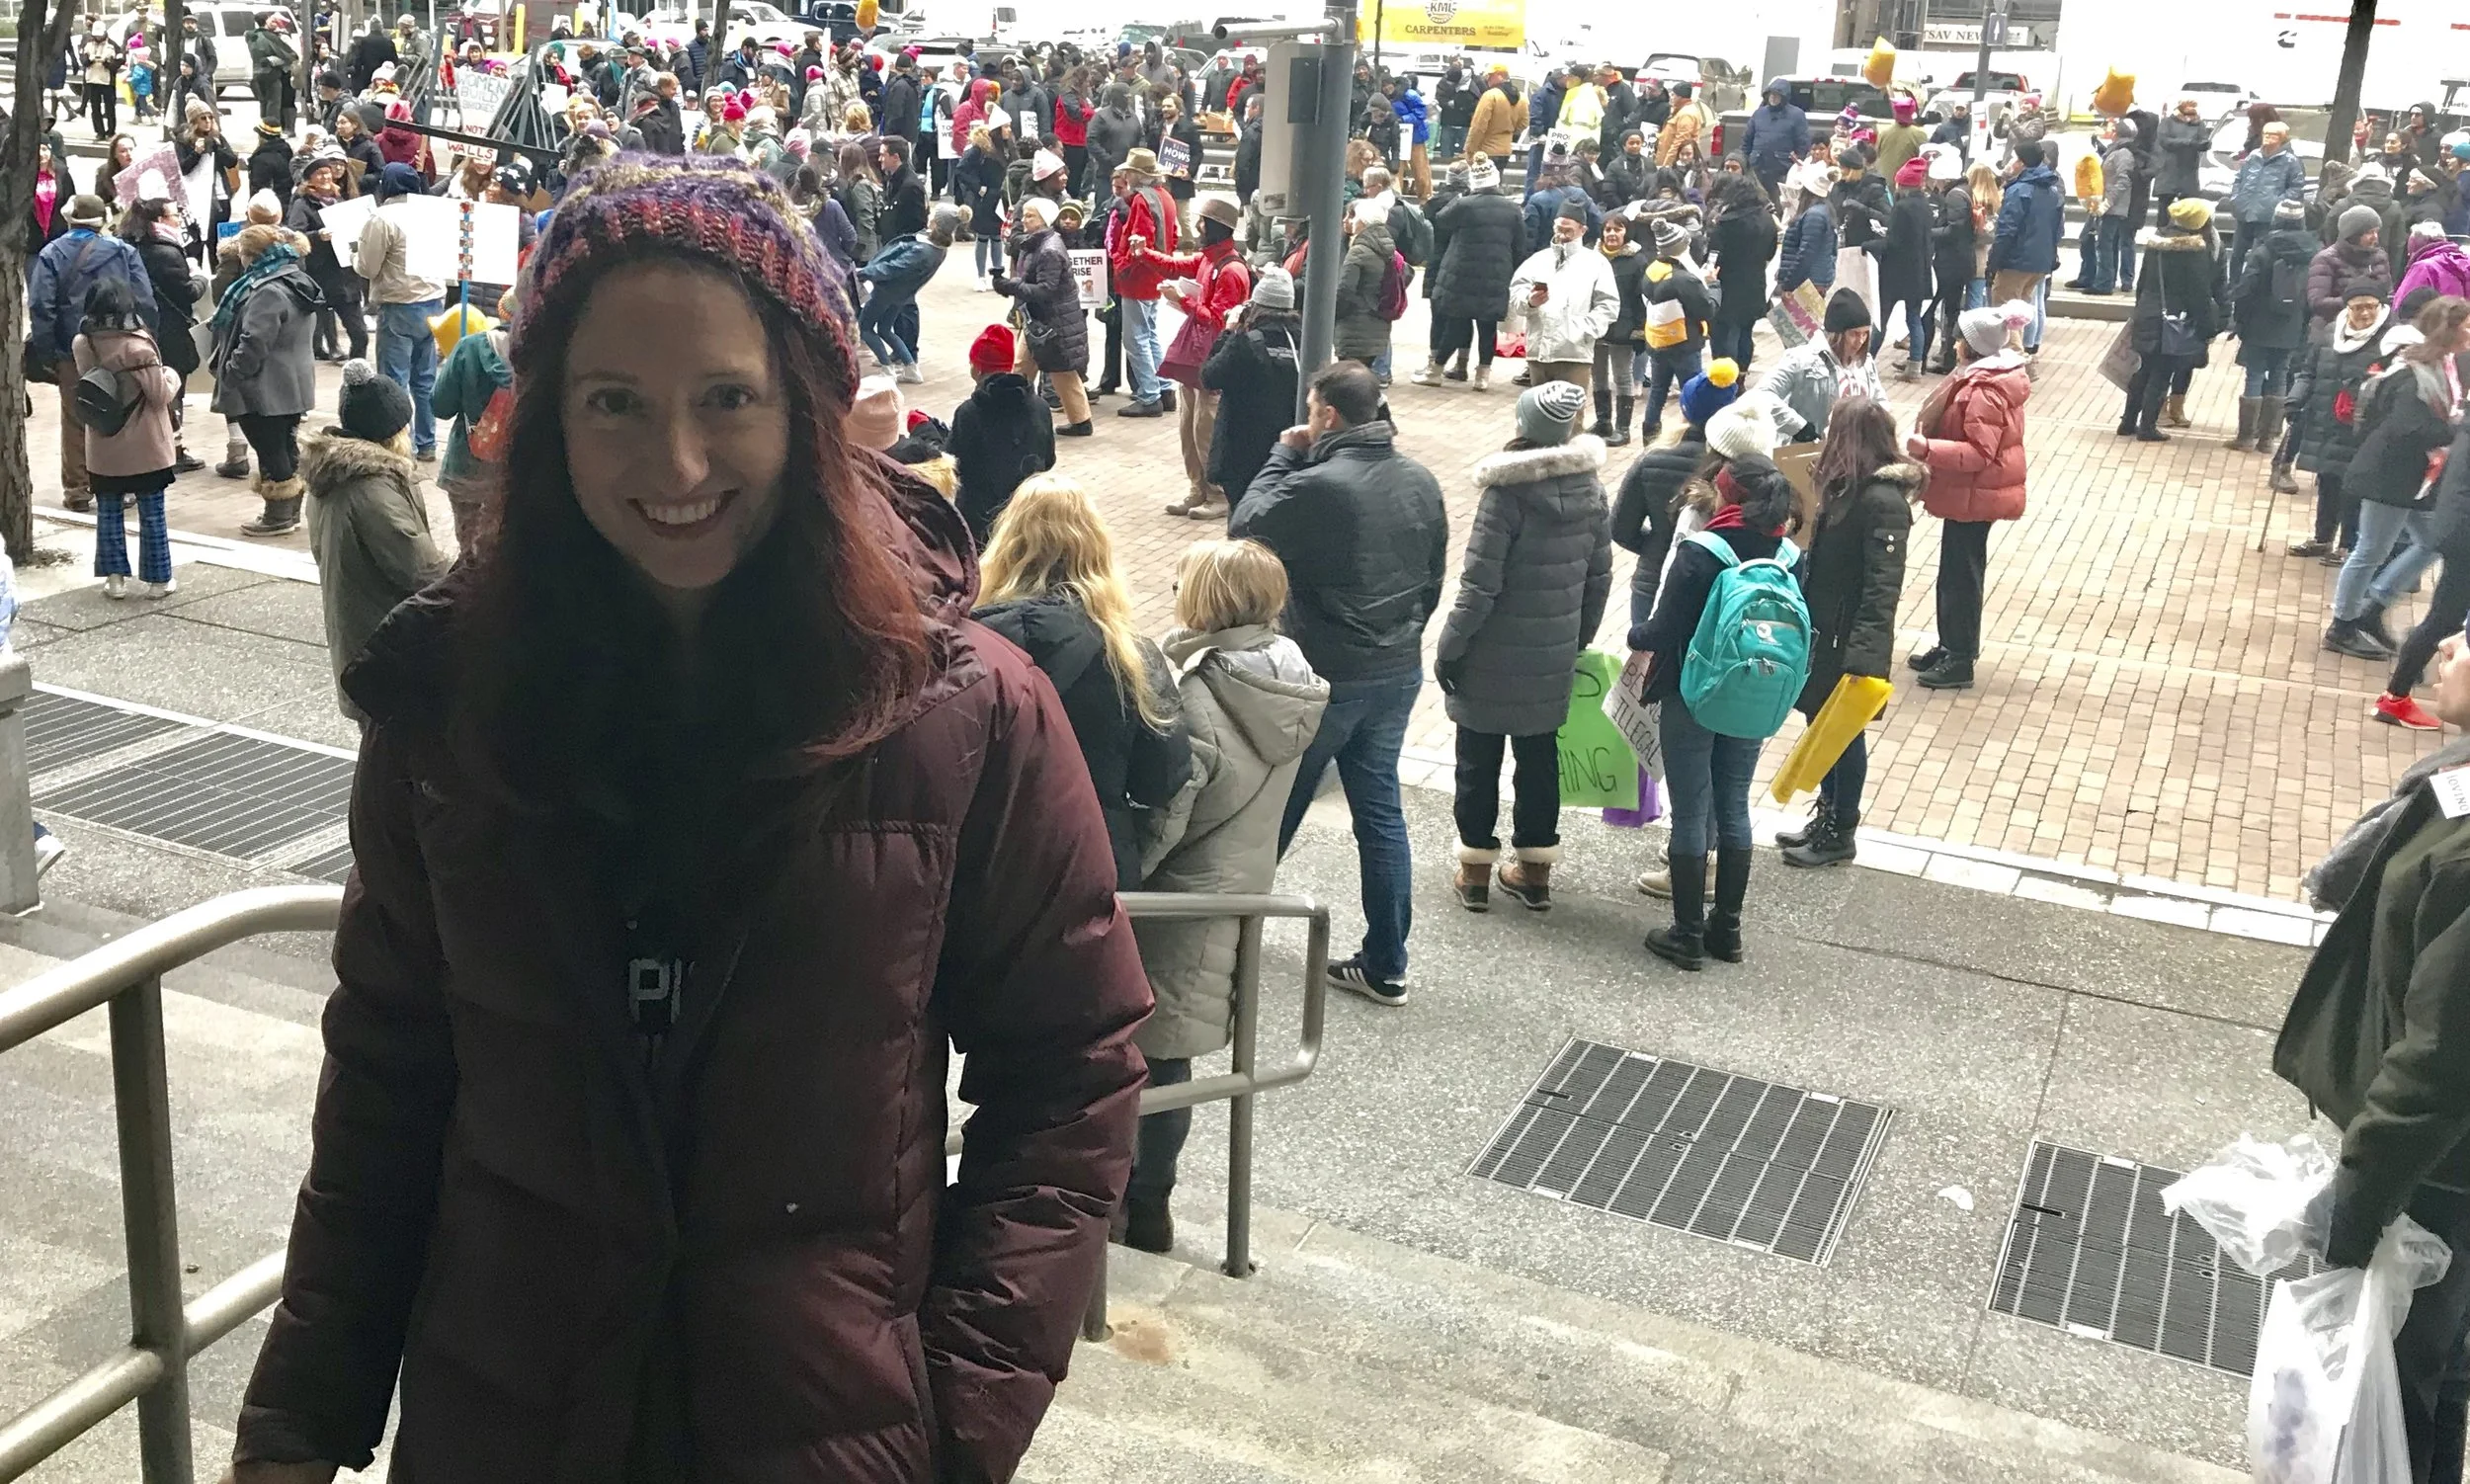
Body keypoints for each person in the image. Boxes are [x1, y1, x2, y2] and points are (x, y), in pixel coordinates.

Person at [218, 157, 1149, 1481]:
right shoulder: (454, 706)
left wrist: (956, 1418)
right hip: (505, 1423)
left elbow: (1074, 1070)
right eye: (614, 404)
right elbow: (389, 1073)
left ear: (807, 409)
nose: (678, 463)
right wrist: (298, 1422)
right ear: (548, 422)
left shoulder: (966, 713)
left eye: (728, 398)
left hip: (830, 1432)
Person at [2273, 627, 2470, 1484]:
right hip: (2431, 1168)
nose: (2450, 644)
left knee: (2403, 1385)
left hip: (2433, 1175)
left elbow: (2442, 1062)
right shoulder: (2451, 783)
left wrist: (2355, 1210)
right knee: (2430, 1374)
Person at [1123, 538, 1328, 1254]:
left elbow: (1168, 819)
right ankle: (1151, 1203)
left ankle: (1138, 1207)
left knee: (1145, 1060)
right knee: (1173, 1056)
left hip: (1175, 904)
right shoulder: (1290, 680)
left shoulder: (1201, 697)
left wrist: (1118, 879)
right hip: (1237, 891)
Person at [1231, 363, 1448, 1008]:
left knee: (1271, 807)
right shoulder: (1420, 479)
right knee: (1380, 816)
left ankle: (1226, 943)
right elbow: (1435, 576)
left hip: (1329, 673)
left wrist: (1281, 453)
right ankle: (1388, 963)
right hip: (1396, 668)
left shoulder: (1321, 485)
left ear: (1326, 415)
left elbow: (1245, 530)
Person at [1438, 381, 1611, 914]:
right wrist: (1576, 638)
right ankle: (1535, 875)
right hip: (1552, 652)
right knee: (1539, 761)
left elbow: (1479, 586)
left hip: (1490, 653)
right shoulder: (1592, 489)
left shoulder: (1504, 494)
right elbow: (1599, 579)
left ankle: (1474, 875)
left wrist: (1450, 646)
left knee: (1477, 761)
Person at [974, 474, 1191, 893]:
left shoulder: (968, 644)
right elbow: (1162, 777)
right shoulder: (1131, 655)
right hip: (1092, 856)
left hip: (985, 858)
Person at [1630, 455, 1803, 971]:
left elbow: (1661, 631)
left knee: (1691, 811)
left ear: (1726, 495)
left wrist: (1634, 636)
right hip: (1755, 694)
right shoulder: (1790, 556)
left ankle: (1686, 933)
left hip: (1694, 693)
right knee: (1733, 808)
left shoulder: (1702, 551)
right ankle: (1726, 931)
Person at [1775, 398, 1917, 867]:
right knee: (1823, 726)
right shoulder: (1846, 489)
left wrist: (1866, 655)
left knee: (1844, 735)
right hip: (1825, 632)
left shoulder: (1881, 501)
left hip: (1849, 641)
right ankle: (1828, 815)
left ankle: (1841, 830)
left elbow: (1883, 586)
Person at [2325, 297, 2470, 662]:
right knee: (2371, 548)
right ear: (2447, 329)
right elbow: (2408, 426)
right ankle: (2342, 624)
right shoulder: (2414, 370)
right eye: (2467, 325)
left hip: (2419, 478)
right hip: (2389, 475)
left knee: (2432, 542)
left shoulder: (2446, 365)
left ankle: (2374, 606)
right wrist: (2458, 430)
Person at [301, 359, 448, 720]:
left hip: (361, 645)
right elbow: (421, 569)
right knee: (400, 763)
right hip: (386, 650)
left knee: (383, 762)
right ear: (391, 433)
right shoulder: (370, 488)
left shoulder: (333, 475)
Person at [1907, 303, 2035, 692]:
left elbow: (1980, 453)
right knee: (1954, 573)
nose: (1954, 341)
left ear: (1972, 347)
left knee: (1961, 576)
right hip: (1972, 494)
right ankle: (1951, 646)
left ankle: (1960, 657)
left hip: (1976, 495)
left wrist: (1928, 448)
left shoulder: (1984, 391)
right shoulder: (1981, 377)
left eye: (1960, 337)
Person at [28, 194, 155, 515]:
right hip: (124, 345)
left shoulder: (52, 253)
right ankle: (120, 484)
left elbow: (41, 306)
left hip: (72, 348)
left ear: (70, 219)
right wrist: (145, 338)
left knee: (75, 419)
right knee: (124, 415)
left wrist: (48, 353)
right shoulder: (123, 252)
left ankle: (77, 490)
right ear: (101, 221)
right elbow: (145, 299)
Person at [1137, 195, 1250, 518]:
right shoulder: (1208, 259)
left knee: (1207, 430)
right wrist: (1145, 254)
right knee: (1188, 427)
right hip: (1195, 360)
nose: (1197, 227)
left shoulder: (1231, 270)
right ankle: (1197, 489)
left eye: (1202, 222)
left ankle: (1218, 494)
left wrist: (1181, 301)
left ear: (1216, 227)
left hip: (1213, 361)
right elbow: (1174, 265)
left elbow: (1218, 319)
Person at [213, 219, 324, 538]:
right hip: (292, 382)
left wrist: (231, 372)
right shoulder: (295, 279)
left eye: (244, 255)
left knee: (270, 448)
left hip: (265, 385)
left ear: (252, 256)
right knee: (285, 445)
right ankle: (288, 512)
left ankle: (278, 515)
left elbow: (254, 342)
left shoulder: (267, 291)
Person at [74, 278, 182, 601]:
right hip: (145, 444)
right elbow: (158, 395)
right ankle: (158, 580)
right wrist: (171, 377)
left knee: (108, 512)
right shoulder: (139, 346)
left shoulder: (84, 343)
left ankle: (115, 580)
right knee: (152, 513)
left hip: (104, 443)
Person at [1613, 362, 1740, 628]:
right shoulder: (1738, 466)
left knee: (1644, 665)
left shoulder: (1652, 459)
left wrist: (1655, 543)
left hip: (1654, 577)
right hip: (1713, 585)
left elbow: (1621, 528)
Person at [2287, 291, 2392, 565]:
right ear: (2347, 308)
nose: (2365, 314)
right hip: (2326, 420)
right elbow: (2308, 372)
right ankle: (2322, 538)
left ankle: (2348, 544)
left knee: (2353, 487)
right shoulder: (2330, 334)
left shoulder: (2389, 340)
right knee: (2328, 481)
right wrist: (2296, 398)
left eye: (2371, 307)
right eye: (2358, 308)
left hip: (2361, 427)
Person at [355, 163, 445, 465]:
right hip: (433, 301)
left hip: (398, 303)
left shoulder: (382, 218)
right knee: (425, 378)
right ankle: (427, 441)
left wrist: (354, 253)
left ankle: (397, 444)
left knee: (394, 381)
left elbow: (367, 267)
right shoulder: (432, 213)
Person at [2117, 197, 2226, 443]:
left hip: (2147, 312)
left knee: (2144, 369)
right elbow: (2199, 294)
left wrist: (2139, 311)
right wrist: (2209, 326)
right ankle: (2147, 427)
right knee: (2161, 373)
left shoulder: (2156, 243)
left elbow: (2142, 282)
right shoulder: (2195, 251)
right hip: (2173, 319)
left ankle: (2127, 421)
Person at [992, 195, 1093, 438]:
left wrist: (1011, 286)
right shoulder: (1039, 243)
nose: (1024, 220)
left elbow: (1046, 290)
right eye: (1024, 214)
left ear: (1044, 219)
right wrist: (1011, 284)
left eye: (1030, 216)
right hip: (1041, 321)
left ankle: (1080, 422)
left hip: (1052, 322)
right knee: (1024, 368)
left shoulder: (1048, 250)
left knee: (1059, 372)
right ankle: (1017, 415)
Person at [121, 197, 206, 473]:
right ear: (159, 220)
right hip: (169, 330)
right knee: (172, 389)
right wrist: (199, 277)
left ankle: (161, 447)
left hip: (139, 329)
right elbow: (186, 292)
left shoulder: (128, 245)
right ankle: (174, 449)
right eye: (174, 215)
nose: (179, 219)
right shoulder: (166, 252)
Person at [948, 323, 1054, 546]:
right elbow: (1048, 459)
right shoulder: (1040, 407)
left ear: (977, 369)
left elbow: (953, 464)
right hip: (1028, 515)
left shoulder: (969, 412)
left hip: (980, 521)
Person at [1422, 157, 1522, 390]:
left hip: (1463, 273)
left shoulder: (1465, 204)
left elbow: (1441, 219)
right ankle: (1482, 376)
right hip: (1497, 274)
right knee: (1487, 327)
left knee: (1456, 322)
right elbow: (1519, 245)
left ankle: (1435, 370)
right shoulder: (1513, 208)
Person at [429, 290, 515, 552]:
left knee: (470, 556)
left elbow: (440, 406)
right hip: (519, 477)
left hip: (467, 471)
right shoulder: (548, 355)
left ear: (503, 312)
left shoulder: (470, 347)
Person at [2229, 199, 2316, 455]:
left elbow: (2246, 288)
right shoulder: (2312, 252)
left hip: (2259, 322)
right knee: (2280, 374)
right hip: (2292, 323)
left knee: (2254, 375)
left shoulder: (2263, 250)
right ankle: (2267, 439)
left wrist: (2240, 320)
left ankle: (2245, 436)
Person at [1509, 201, 1618, 395]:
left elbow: (1608, 304)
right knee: (1539, 414)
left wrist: (1585, 329)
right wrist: (1530, 301)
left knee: (1572, 416)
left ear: (1582, 230)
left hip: (1575, 354)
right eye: (1559, 229)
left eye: (1568, 231)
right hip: (1539, 352)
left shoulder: (1596, 263)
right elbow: (1516, 292)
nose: (1562, 235)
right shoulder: (1538, 260)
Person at [1754, 289, 1885, 445]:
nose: (1860, 341)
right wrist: (1799, 427)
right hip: (1812, 454)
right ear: (1837, 334)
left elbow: (1880, 401)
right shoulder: (1801, 359)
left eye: (1865, 334)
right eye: (1854, 334)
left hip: (1855, 452)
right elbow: (1761, 395)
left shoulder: (1866, 363)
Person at [1108, 147, 1180, 418]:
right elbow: (1170, 237)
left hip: (1138, 277)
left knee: (1135, 338)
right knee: (1149, 334)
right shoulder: (1166, 198)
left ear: (1138, 174)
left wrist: (1120, 265)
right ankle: (1163, 387)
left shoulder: (1142, 201)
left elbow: (1140, 241)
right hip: (1155, 272)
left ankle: (1150, 395)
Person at [855, 206, 957, 385]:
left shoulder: (923, 251)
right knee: (885, 329)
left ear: (936, 224)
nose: (929, 216)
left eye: (933, 215)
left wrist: (865, 272)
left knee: (866, 328)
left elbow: (894, 267)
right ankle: (911, 368)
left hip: (885, 292)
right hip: (902, 295)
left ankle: (888, 369)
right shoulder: (939, 249)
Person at [1986, 139, 2063, 360]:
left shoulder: (2019, 190)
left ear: (2022, 162)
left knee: (2005, 310)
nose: (2011, 162)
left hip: (2016, 260)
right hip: (2040, 261)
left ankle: (2016, 358)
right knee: (2020, 308)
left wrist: (1995, 261)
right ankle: (2020, 354)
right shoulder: (2051, 190)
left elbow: (2007, 229)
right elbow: (2057, 228)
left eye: (2014, 158)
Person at [1706, 173, 1778, 375]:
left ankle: (1725, 375)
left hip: (1728, 285)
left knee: (1725, 334)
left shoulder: (1726, 223)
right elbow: (1771, 251)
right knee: (1746, 332)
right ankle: (1742, 375)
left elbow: (1714, 256)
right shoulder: (1767, 219)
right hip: (1755, 284)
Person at [2226, 120, 2307, 288]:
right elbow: (2239, 179)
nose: (2268, 138)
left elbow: (2296, 187)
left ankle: (2251, 286)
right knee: (2236, 254)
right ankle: (2232, 286)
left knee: (2258, 255)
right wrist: (2236, 197)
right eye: (2266, 134)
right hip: (2245, 212)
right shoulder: (2253, 156)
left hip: (2267, 217)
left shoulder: (2291, 161)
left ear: (2282, 139)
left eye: (2273, 135)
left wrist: (2278, 204)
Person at [1878, 155, 1936, 376]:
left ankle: (1868, 361)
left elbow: (1893, 241)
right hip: (1919, 270)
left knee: (1881, 318)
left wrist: (1873, 243)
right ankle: (1915, 366)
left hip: (1897, 271)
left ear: (1902, 184)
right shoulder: (1924, 205)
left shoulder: (1901, 207)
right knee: (1914, 318)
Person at [1332, 195, 1400, 371]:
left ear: (1362, 221)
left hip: (1354, 328)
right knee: (1363, 378)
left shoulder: (1358, 251)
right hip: (1377, 327)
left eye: (1354, 217)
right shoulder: (1388, 248)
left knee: (1348, 380)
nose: (1349, 221)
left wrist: (1334, 315)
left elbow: (1344, 290)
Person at [2310, 203, 2396, 327]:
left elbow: (2389, 294)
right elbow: (2317, 302)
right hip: (2334, 326)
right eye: (2369, 233)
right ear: (2353, 235)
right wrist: (2358, 302)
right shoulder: (2325, 260)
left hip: (2375, 325)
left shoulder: (2380, 257)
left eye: (2376, 232)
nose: (2375, 238)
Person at [2085, 120, 2137, 295]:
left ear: (2116, 133)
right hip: (2109, 206)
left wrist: (2108, 202)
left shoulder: (2124, 153)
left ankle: (2104, 283)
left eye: (2111, 129)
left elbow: (2124, 180)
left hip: (2113, 208)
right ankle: (2105, 280)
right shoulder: (2115, 151)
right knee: (2104, 244)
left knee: (2105, 245)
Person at [953, 123, 1007, 288]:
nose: (1010, 130)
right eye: (1006, 127)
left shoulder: (1007, 147)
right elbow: (961, 170)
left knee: (997, 236)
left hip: (1000, 198)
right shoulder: (979, 149)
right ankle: (981, 276)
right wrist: (979, 188)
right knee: (983, 236)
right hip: (984, 199)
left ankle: (997, 274)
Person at [1742, 79, 1810, 200]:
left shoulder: (1796, 115)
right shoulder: (1759, 113)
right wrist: (1745, 162)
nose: (1773, 97)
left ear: (1784, 97)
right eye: (1770, 94)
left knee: (1780, 206)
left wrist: (1796, 166)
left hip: (1782, 171)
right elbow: (1747, 140)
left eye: (1777, 95)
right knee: (1754, 201)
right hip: (1757, 169)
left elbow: (1803, 143)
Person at [2151, 96, 2208, 228]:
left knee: (2188, 213)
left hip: (2188, 173)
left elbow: (2203, 142)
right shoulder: (2167, 123)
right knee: (2164, 212)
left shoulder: (2199, 124)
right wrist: (2189, 143)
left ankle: (2185, 238)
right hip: (2168, 171)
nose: (2190, 115)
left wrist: (2203, 144)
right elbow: (2164, 141)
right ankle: (2162, 236)